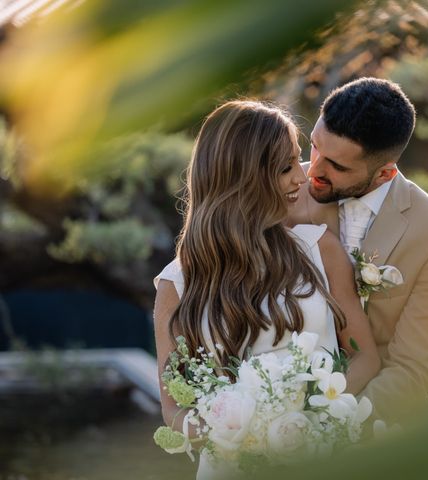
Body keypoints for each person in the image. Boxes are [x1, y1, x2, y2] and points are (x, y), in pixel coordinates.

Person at [152, 100, 380, 478]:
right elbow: (172, 408)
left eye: (297, 161)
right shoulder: (176, 285)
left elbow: (365, 357)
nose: (301, 179)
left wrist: (311, 420)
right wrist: (241, 434)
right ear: (242, 177)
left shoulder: (319, 250)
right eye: (285, 167)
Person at [287, 77, 428, 425]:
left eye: (337, 166)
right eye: (315, 147)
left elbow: (412, 369)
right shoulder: (279, 194)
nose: (315, 171)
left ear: (385, 173)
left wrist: (328, 432)